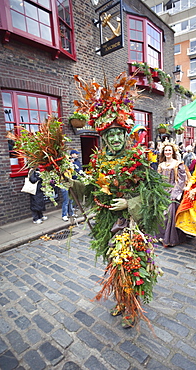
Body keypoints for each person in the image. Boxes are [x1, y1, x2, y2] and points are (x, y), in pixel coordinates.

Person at [70, 72, 170, 328]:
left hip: (131, 224)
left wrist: (130, 204)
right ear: (104, 138)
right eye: (109, 135)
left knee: (130, 263)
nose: (114, 139)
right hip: (108, 223)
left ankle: (133, 306)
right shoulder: (99, 161)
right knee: (114, 262)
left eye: (118, 134)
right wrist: (72, 182)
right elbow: (91, 189)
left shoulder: (141, 161)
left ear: (125, 136)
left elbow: (156, 198)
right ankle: (121, 299)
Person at [157, 139, 187, 247]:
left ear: (173, 152)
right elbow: (159, 179)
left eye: (169, 150)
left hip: (173, 191)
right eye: (166, 150)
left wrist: (175, 193)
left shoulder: (177, 164)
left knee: (169, 212)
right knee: (159, 211)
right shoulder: (161, 165)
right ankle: (161, 235)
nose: (168, 152)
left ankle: (169, 237)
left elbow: (182, 180)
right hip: (162, 191)